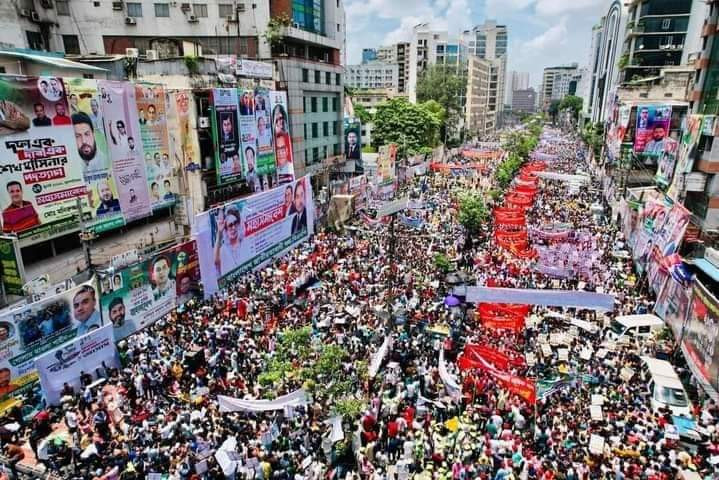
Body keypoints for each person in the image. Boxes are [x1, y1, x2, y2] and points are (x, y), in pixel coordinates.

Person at [214, 206, 243, 276]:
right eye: (230, 225)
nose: (233, 228)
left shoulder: (245, 244)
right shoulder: (223, 250)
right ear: (226, 229)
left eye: (235, 223)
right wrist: (219, 233)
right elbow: (216, 262)